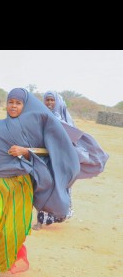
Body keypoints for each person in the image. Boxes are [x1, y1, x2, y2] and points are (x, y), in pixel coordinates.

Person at [0, 88, 81, 277]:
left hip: (20, 187)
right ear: (6, 104)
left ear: (25, 106)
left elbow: (50, 151)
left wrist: (26, 151)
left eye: (18, 103)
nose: (13, 106)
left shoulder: (33, 128)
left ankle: (6, 260)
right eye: (11, 102)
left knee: (14, 228)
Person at [33, 90, 109, 230]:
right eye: (47, 100)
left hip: (62, 162)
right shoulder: (41, 117)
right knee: (42, 188)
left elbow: (73, 140)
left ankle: (58, 215)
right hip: (46, 159)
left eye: (52, 100)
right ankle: (40, 221)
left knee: (60, 189)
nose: (49, 103)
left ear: (58, 101)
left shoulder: (66, 120)